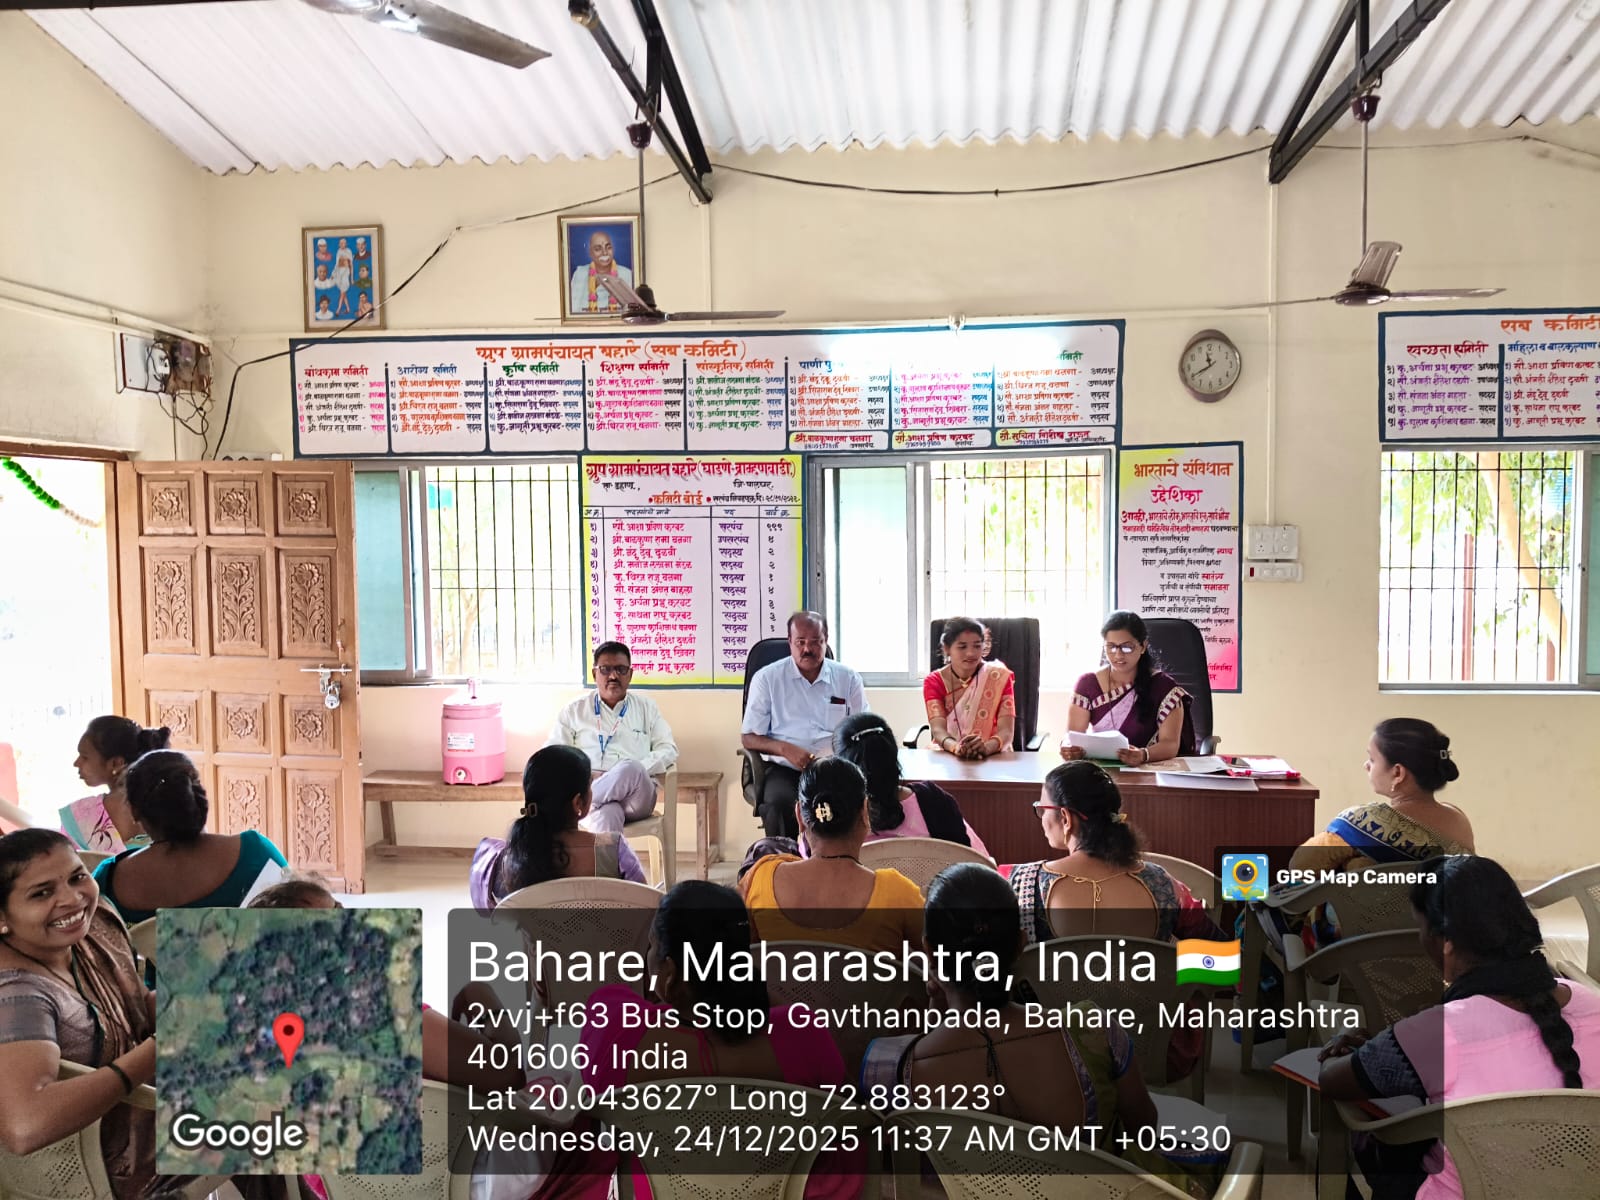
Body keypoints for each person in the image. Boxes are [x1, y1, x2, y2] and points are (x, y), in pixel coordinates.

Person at [860, 864, 1219, 1197]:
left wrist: (936, 1008)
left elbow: (893, 1175)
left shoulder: (888, 1070)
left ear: (929, 951)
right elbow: (1143, 1128)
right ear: (1020, 944)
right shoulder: (1094, 1032)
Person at [1319, 855, 1600, 1200]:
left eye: (1421, 928)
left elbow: (1332, 1081)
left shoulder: (1438, 1031)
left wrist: (1352, 1044)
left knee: (1372, 1134)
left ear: (1446, 943)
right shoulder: (1591, 1001)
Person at [561, 881, 861, 1200]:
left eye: (651, 947)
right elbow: (849, 1108)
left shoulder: (617, 1034)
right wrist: (746, 989)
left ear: (671, 971)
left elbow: (617, 1014)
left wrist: (666, 998)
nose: (647, 956)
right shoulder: (802, 1035)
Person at [1013, 761, 1225, 1083]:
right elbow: (1223, 963)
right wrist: (1169, 971)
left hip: (1053, 1055)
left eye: (1042, 809)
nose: (1041, 817)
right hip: (1154, 1055)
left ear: (1065, 818)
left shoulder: (1021, 884)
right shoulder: (1164, 885)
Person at [0, 829, 157, 1199]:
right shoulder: (16, 994)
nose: (72, 899)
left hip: (140, 1106)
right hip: (92, 1161)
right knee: (264, 1119)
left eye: (77, 877)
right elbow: (24, 1127)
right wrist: (157, 1051)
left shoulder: (92, 928)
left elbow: (130, 1004)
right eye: (41, 893)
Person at [739, 758, 922, 953]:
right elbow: (940, 955)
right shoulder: (897, 894)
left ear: (800, 816)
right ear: (865, 813)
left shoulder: (760, 880)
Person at [92, 750, 288, 925]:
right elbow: (297, 925)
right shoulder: (256, 853)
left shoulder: (107, 880)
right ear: (198, 799)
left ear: (134, 812)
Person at [470, 745, 647, 913]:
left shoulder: (506, 860)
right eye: (591, 784)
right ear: (578, 803)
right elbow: (647, 912)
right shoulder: (614, 850)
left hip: (536, 937)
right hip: (609, 936)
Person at [740, 611, 867, 838]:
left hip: (834, 767)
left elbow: (862, 728)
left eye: (815, 641)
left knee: (852, 802)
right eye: (800, 642)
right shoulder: (767, 679)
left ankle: (838, 859)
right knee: (779, 804)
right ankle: (784, 857)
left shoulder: (848, 679)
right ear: (789, 642)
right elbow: (748, 737)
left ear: (826, 641)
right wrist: (785, 749)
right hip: (785, 769)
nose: (807, 649)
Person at [1293, 718, 1474, 873]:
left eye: (1372, 759)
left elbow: (1300, 866)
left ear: (1397, 773)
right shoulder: (1458, 819)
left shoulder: (1365, 820)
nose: (1366, 765)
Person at [547, 641, 677, 837]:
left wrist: (635, 770)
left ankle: (578, 804)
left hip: (636, 796)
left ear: (630, 674)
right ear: (594, 674)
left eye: (621, 670)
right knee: (607, 816)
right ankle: (610, 860)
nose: (613, 676)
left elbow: (668, 749)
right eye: (605, 669)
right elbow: (554, 754)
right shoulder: (574, 711)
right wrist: (583, 775)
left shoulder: (647, 708)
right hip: (594, 795)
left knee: (630, 768)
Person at [824, 712, 988, 856]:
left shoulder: (830, 819)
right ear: (894, 754)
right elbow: (975, 862)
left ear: (843, 767)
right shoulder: (933, 802)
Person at [1063, 611, 1194, 766]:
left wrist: (1143, 755)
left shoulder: (1164, 687)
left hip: (1148, 769)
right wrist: (1069, 749)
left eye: (1126, 647)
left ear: (1143, 646)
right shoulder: (1087, 685)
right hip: (1099, 771)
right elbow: (1073, 737)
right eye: (1111, 647)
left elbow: (1170, 744)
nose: (1118, 655)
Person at [923, 617, 1015, 759]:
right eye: (962, 647)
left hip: (993, 754)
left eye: (977, 646)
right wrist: (956, 748)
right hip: (948, 752)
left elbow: (1006, 732)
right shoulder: (934, 681)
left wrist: (985, 748)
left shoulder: (998, 677)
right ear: (947, 648)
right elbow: (938, 730)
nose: (971, 653)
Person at [74, 717, 170, 848]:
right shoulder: (171, 804)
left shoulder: (80, 815)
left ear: (116, 763)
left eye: (84, 757)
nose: (76, 763)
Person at [568, 229, 633, 315]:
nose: (605, 253)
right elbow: (572, 311)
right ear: (590, 253)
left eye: (608, 247)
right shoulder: (580, 274)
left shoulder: (627, 274)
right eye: (598, 249)